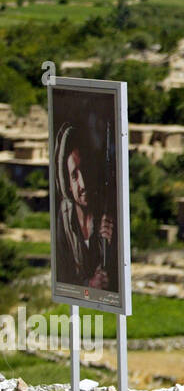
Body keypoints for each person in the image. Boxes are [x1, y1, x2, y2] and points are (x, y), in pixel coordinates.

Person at [53, 122, 115, 291]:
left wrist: (110, 245)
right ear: (67, 185)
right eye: (74, 176)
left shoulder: (106, 212)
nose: (83, 184)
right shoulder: (65, 217)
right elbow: (63, 278)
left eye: (85, 170)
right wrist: (89, 285)